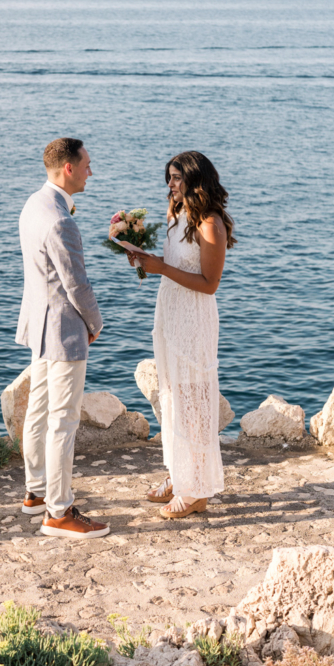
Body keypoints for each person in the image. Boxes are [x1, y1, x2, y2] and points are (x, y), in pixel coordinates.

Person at [127, 150, 236, 519]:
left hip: (194, 317)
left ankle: (198, 490)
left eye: (176, 178)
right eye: (168, 178)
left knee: (194, 403)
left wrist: (160, 268)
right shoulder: (176, 214)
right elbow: (172, 262)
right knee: (172, 397)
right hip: (169, 311)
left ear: (195, 180)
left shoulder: (210, 224)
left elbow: (209, 284)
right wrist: (145, 259)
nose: (170, 185)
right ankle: (179, 473)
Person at [16, 137, 111, 539]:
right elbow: (76, 285)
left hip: (39, 324)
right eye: (87, 164)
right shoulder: (61, 220)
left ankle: (36, 490)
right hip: (63, 330)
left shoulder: (33, 204)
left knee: (38, 411)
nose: (92, 171)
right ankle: (59, 512)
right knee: (63, 420)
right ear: (68, 168)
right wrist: (95, 323)